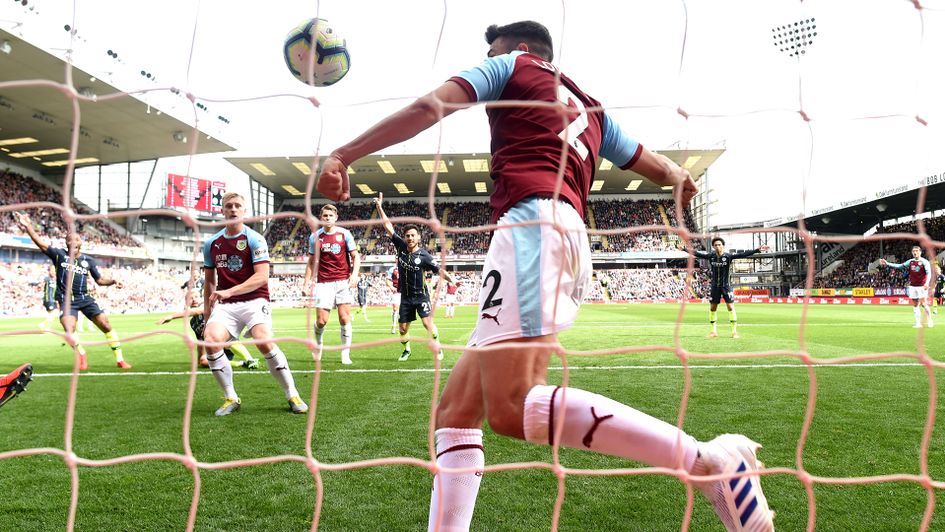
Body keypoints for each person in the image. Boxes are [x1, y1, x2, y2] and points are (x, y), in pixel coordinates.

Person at [316, 20, 773, 532]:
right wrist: (680, 179)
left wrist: (343, 154)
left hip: (533, 227)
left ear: (522, 48)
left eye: (491, 49)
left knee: (511, 408)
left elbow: (431, 106)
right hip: (562, 230)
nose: (487, 57)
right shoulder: (591, 109)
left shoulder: (510, 65)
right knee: (456, 412)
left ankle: (706, 461)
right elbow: (655, 164)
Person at [202, 192, 307, 416]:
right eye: (228, 206)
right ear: (222, 211)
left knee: (263, 340)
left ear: (244, 211)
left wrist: (229, 291)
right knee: (210, 341)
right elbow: (210, 282)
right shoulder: (211, 244)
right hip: (226, 305)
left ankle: (292, 393)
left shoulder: (255, 239)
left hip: (254, 299)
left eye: (237, 206)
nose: (233, 209)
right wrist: (206, 313)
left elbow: (261, 276)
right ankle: (230, 397)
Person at [14, 211, 130, 370]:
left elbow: (100, 280)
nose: (73, 240)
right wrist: (28, 226)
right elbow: (41, 243)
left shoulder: (88, 260)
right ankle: (81, 354)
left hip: (85, 299)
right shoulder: (59, 255)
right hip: (66, 301)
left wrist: (113, 281)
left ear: (80, 242)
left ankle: (120, 360)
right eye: (69, 239)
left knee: (105, 325)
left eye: (76, 238)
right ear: (66, 243)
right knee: (69, 330)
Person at [375, 196, 455, 361]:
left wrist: (451, 280)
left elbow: (438, 270)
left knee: (427, 324)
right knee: (403, 329)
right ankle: (407, 350)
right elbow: (388, 226)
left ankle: (438, 347)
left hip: (421, 296)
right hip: (405, 297)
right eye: (407, 236)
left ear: (419, 237)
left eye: (413, 235)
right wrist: (379, 207)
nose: (410, 238)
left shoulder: (424, 256)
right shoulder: (401, 247)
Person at [302, 204, 361, 365]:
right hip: (324, 283)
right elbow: (311, 262)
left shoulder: (344, 234)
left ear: (336, 217)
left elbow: (356, 256)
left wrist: (354, 275)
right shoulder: (315, 237)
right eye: (325, 216)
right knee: (321, 321)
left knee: (344, 318)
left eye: (330, 215)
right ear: (321, 218)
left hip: (343, 281)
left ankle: (345, 354)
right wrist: (306, 283)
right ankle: (318, 346)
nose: (327, 218)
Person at [682, 238, 770, 338]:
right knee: (713, 307)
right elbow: (697, 254)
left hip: (726, 286)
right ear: (713, 247)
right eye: (715, 245)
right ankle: (713, 331)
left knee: (730, 307)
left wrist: (757, 250)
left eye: (719, 245)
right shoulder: (711, 256)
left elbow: (743, 254)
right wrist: (684, 249)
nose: (717, 247)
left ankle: (734, 332)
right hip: (715, 286)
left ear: (723, 246)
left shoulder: (728, 256)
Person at [155, 288, 260, 370]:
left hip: (227, 344)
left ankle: (250, 359)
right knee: (204, 361)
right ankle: (241, 364)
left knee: (225, 340)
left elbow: (195, 312)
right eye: (190, 298)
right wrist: (200, 359)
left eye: (196, 296)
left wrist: (172, 316)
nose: (194, 299)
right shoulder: (193, 323)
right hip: (215, 348)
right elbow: (201, 341)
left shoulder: (206, 306)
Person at [880, 245, 934, 328]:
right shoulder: (910, 261)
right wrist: (887, 263)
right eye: (913, 251)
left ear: (920, 252)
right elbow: (900, 266)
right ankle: (918, 323)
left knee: (923, 304)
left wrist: (927, 283)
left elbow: (929, 273)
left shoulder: (924, 262)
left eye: (916, 251)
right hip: (913, 286)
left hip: (922, 286)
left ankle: (930, 319)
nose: (915, 252)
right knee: (915, 304)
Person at [38, 265, 58, 330]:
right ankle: (43, 324)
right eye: (52, 270)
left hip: (53, 300)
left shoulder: (54, 280)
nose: (54, 272)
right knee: (53, 313)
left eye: (54, 271)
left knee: (51, 314)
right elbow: (40, 285)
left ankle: (47, 328)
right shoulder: (47, 279)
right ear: (49, 271)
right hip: (48, 299)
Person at [386, 265, 401, 334]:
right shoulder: (392, 269)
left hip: (406, 292)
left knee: (404, 310)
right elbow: (388, 280)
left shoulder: (408, 266)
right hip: (396, 292)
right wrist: (391, 287)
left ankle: (402, 326)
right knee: (395, 309)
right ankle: (394, 326)